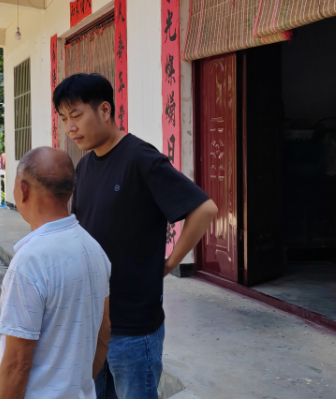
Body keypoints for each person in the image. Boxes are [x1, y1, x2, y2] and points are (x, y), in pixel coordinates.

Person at [53, 73, 218, 399]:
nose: (69, 127)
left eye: (76, 115)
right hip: (93, 320)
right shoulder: (84, 167)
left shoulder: (140, 158)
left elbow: (205, 209)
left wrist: (171, 261)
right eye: (62, 119)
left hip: (133, 324)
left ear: (104, 110)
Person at [0, 147, 112, 399]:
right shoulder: (93, 248)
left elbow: (16, 364)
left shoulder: (30, 262)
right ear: (70, 191)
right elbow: (104, 331)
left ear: (22, 189)